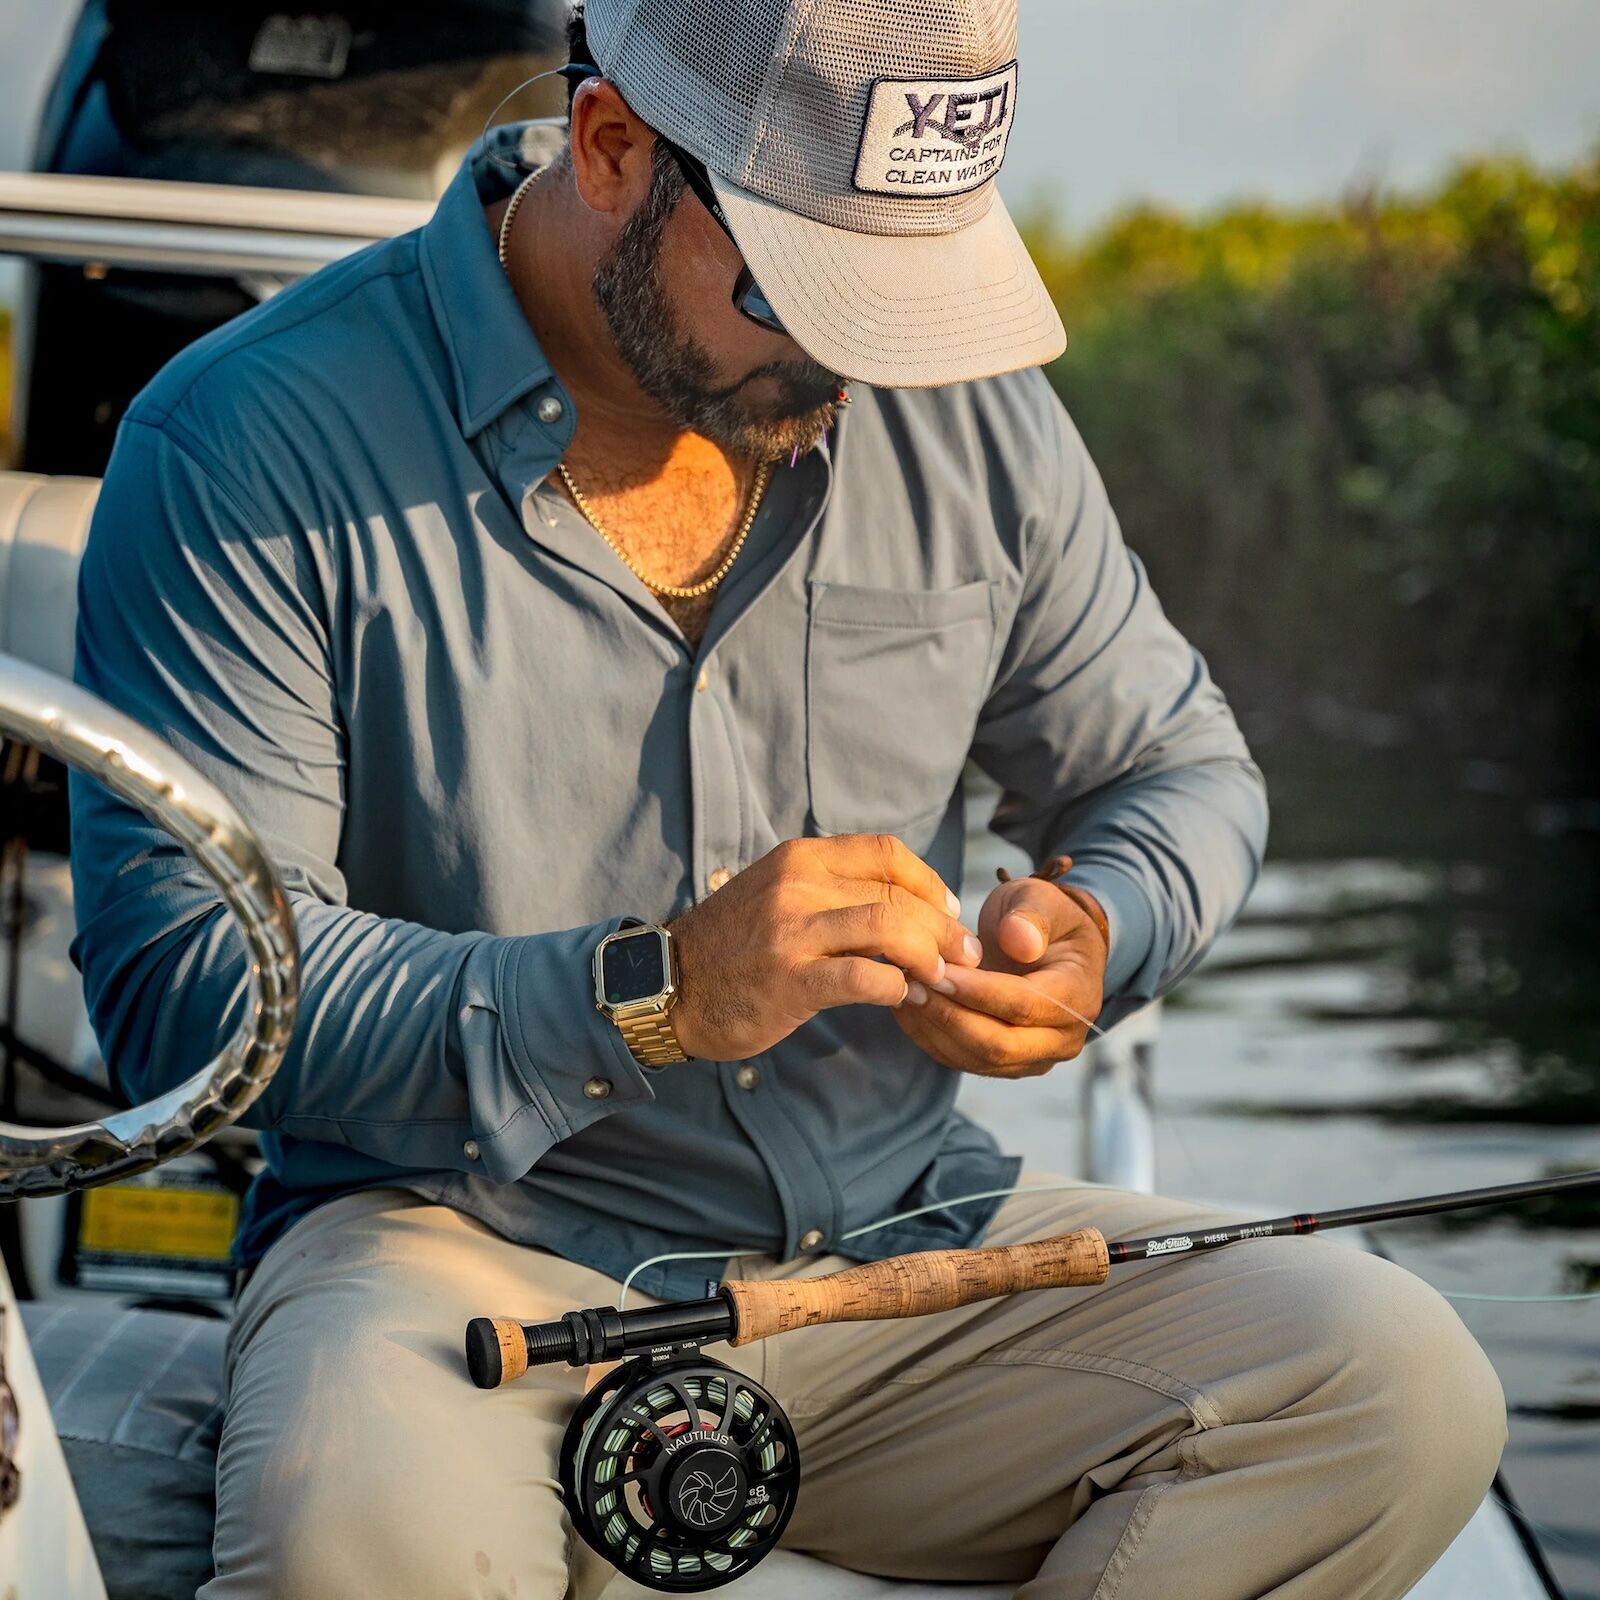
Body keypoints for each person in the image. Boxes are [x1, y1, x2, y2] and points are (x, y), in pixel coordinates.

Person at [68, 1, 1506, 1596]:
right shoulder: (238, 440)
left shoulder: (959, 410)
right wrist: (652, 997)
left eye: (904, 298)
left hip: (910, 1252)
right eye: (800, 286)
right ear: (612, 148)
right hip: (446, 1266)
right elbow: (189, 996)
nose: (855, 355)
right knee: (361, 1540)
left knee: (1392, 1385)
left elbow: (1172, 767)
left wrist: (1103, 921)